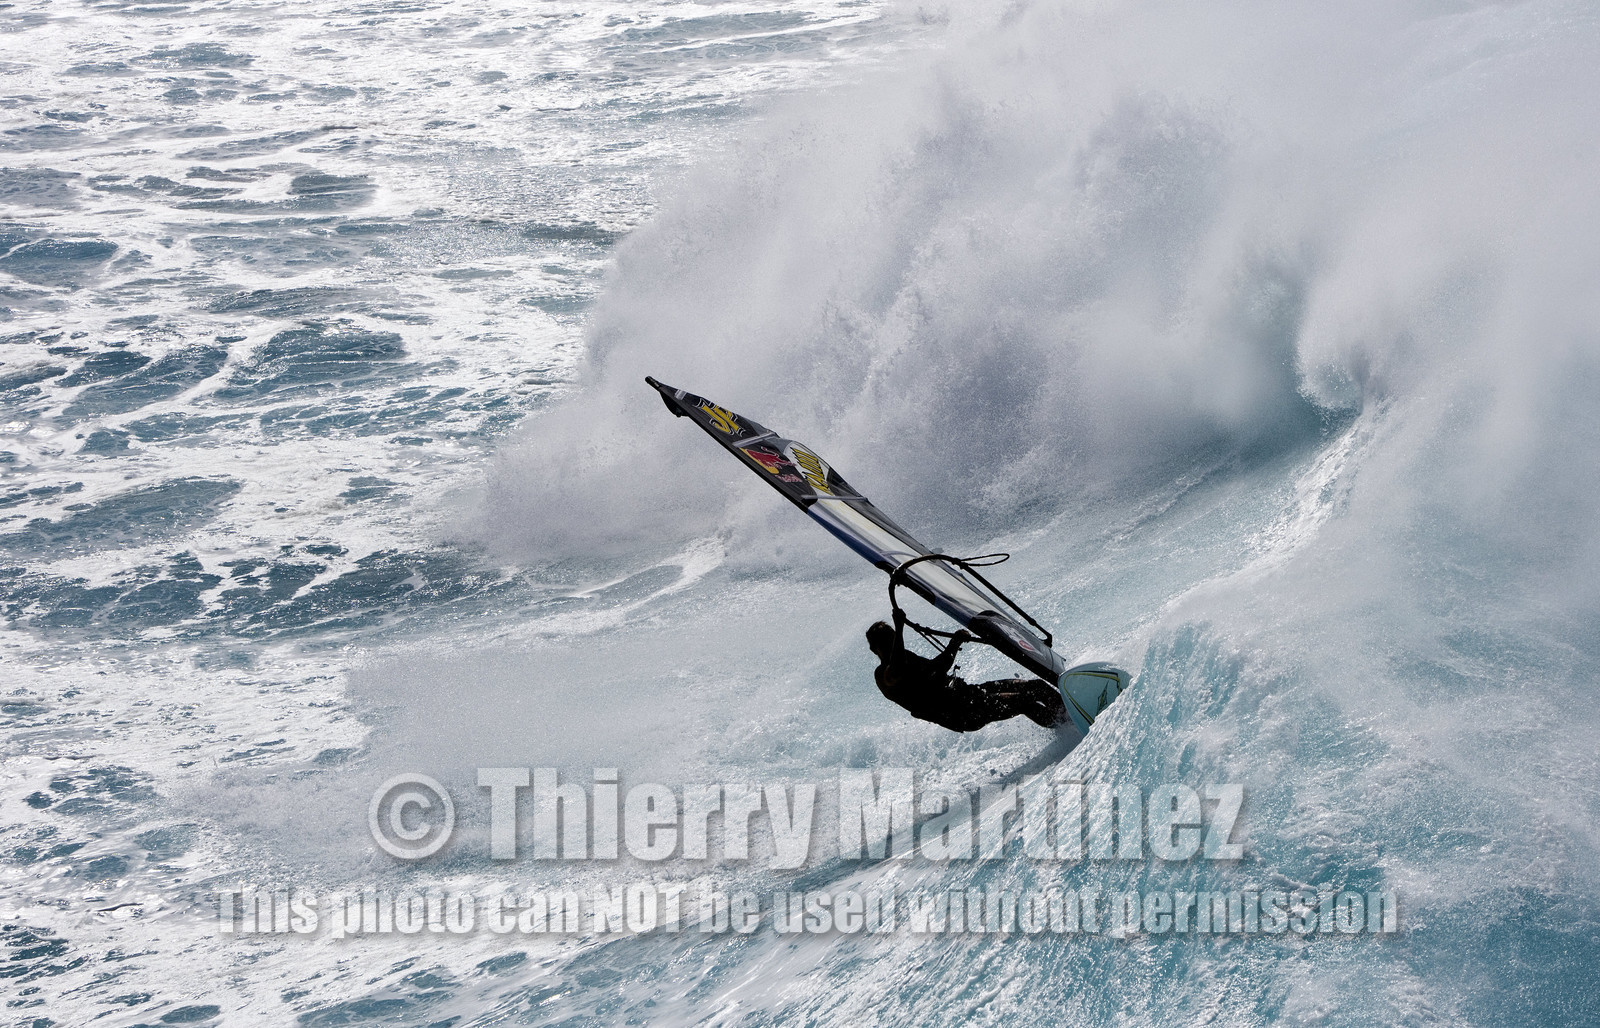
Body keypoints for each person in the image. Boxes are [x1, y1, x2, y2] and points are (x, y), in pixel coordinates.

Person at [865, 612, 1067, 732]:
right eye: (887, 643)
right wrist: (899, 628)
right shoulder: (884, 677)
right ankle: (1065, 726)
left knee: (1036, 686)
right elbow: (898, 668)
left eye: (892, 639)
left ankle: (1069, 712)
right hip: (961, 713)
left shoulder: (906, 657)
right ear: (876, 650)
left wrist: (955, 643)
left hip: (968, 694)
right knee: (1025, 702)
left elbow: (937, 668)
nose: (892, 645)